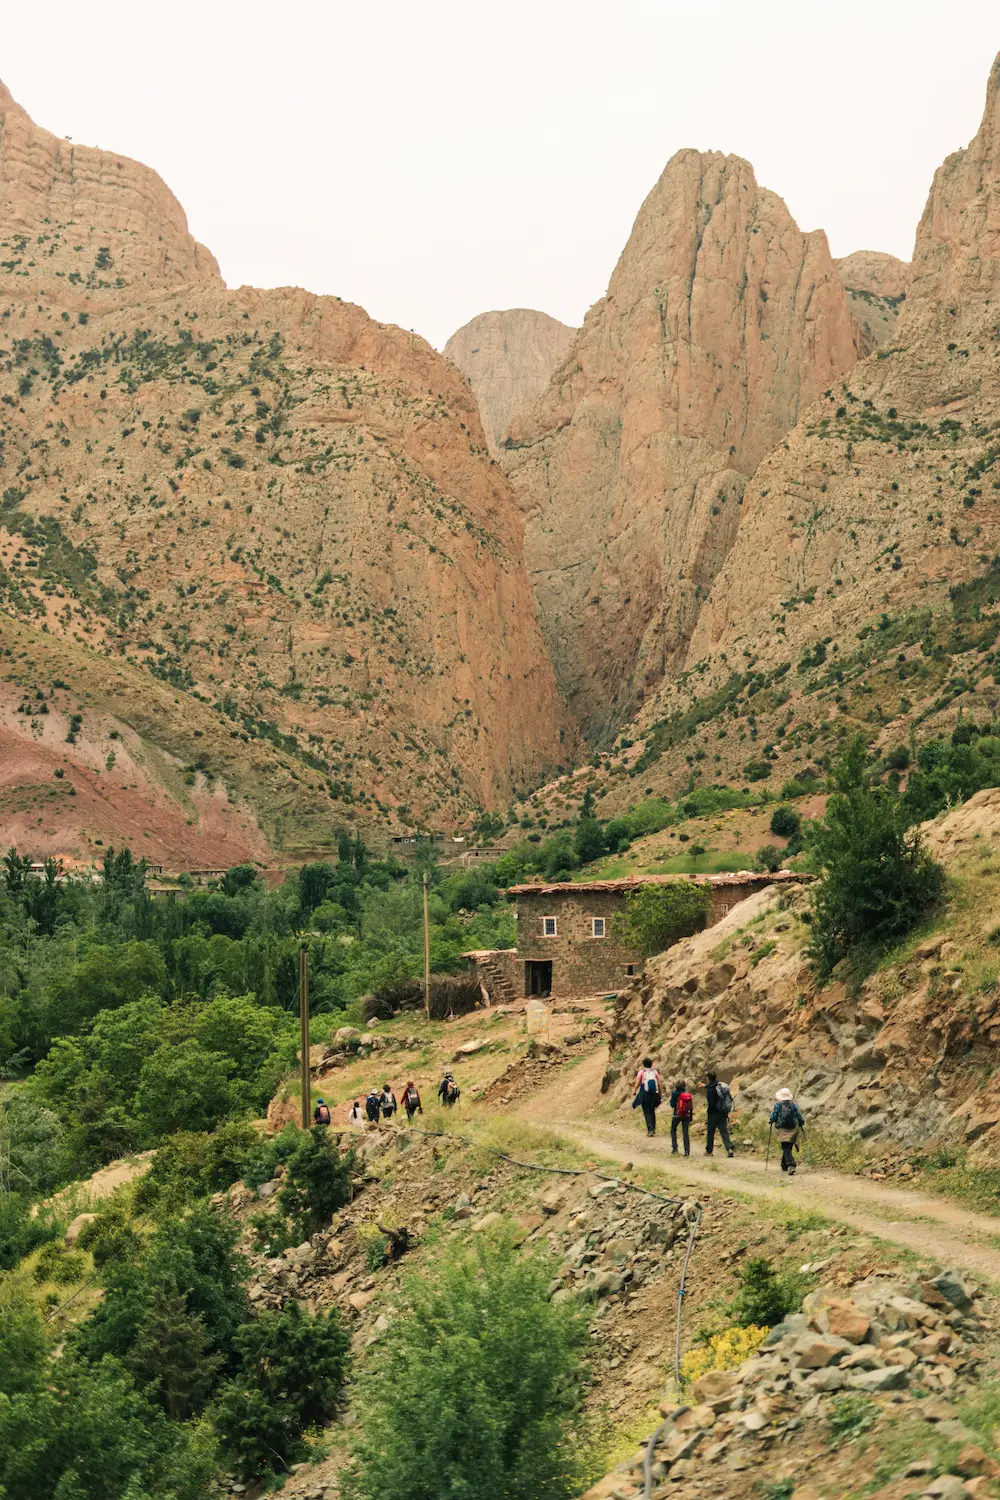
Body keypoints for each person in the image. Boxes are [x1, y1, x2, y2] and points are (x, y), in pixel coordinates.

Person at [770, 1087, 805, 1174]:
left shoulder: (777, 1105)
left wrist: (771, 1120)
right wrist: (801, 1122)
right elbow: (799, 1115)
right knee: (788, 1146)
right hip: (793, 1128)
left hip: (781, 1128)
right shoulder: (793, 1105)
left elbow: (774, 1115)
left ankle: (791, 1164)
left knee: (786, 1147)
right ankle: (784, 1165)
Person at [702, 1070, 735, 1158]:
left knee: (710, 1132)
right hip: (722, 1113)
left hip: (713, 1113)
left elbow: (711, 1103)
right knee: (724, 1132)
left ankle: (709, 1151)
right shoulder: (720, 1086)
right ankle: (729, 1149)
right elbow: (711, 1087)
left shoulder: (710, 1089)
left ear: (709, 1078)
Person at [632, 1056, 662, 1136]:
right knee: (652, 1111)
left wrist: (634, 1091)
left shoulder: (641, 1072)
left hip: (645, 1094)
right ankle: (653, 1129)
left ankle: (650, 1129)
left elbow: (637, 1083)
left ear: (644, 1064)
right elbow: (659, 1084)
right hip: (654, 1094)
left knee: (647, 1111)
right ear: (651, 1064)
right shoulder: (655, 1072)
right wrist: (660, 1094)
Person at [669, 1079, 693, 1156]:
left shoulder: (674, 1093)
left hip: (677, 1114)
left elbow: (672, 1104)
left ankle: (675, 1148)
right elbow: (691, 1106)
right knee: (685, 1132)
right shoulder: (687, 1094)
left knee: (673, 1130)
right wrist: (691, 1116)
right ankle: (687, 1151)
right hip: (686, 1115)